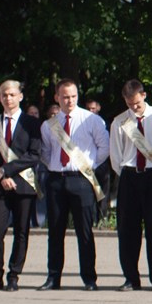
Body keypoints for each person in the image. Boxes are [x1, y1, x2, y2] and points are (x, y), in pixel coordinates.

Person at [38, 80, 108, 289]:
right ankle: (53, 277)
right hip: (57, 180)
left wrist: (89, 165)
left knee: (84, 230)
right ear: (57, 98)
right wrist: (54, 166)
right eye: (65, 97)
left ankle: (89, 278)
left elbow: (104, 147)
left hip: (82, 179)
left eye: (73, 96)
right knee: (55, 231)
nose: (69, 101)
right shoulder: (48, 125)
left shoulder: (91, 120)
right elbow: (46, 152)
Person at [106, 80, 152, 291]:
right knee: (127, 230)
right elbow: (115, 156)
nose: (133, 107)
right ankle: (131, 278)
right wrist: (129, 173)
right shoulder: (119, 122)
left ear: (144, 95)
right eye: (129, 104)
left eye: (136, 103)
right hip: (129, 176)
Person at [0, 80, 40, 290]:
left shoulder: (32, 123)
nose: (8, 98)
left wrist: (8, 170)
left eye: (12, 94)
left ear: (20, 96)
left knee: (22, 231)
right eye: (4, 95)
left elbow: (34, 154)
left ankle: (14, 275)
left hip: (23, 185)